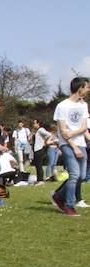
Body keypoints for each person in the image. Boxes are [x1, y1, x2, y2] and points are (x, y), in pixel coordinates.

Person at [50, 77, 89, 216]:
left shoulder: (83, 105)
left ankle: (58, 196)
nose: (88, 90)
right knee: (74, 175)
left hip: (81, 143)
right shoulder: (62, 106)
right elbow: (62, 131)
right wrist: (74, 147)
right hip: (67, 145)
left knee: (81, 176)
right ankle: (69, 205)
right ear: (80, 88)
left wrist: (74, 133)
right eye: (87, 87)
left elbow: (84, 127)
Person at [31, 118, 51, 184]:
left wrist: (45, 142)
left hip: (39, 149)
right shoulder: (36, 131)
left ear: (38, 124)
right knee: (37, 165)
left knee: (39, 165)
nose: (33, 125)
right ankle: (38, 179)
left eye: (34, 123)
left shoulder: (40, 130)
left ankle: (41, 180)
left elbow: (49, 134)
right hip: (36, 150)